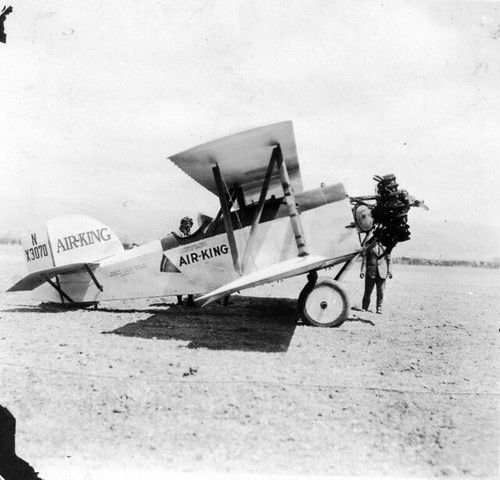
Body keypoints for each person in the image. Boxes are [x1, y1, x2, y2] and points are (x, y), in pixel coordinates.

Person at [360, 241, 392, 314]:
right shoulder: (369, 246)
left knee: (380, 292)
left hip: (382, 273)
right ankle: (365, 307)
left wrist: (389, 271)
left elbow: (389, 260)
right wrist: (362, 271)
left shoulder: (386, 246)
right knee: (368, 291)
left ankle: (379, 308)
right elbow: (364, 260)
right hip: (370, 272)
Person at [176, 217, 195, 306]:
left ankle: (190, 300)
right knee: (179, 282)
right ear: (182, 223)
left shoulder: (188, 232)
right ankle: (179, 301)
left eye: (190, 224)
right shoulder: (176, 233)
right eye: (187, 223)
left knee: (191, 280)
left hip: (188, 261)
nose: (188, 226)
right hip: (179, 261)